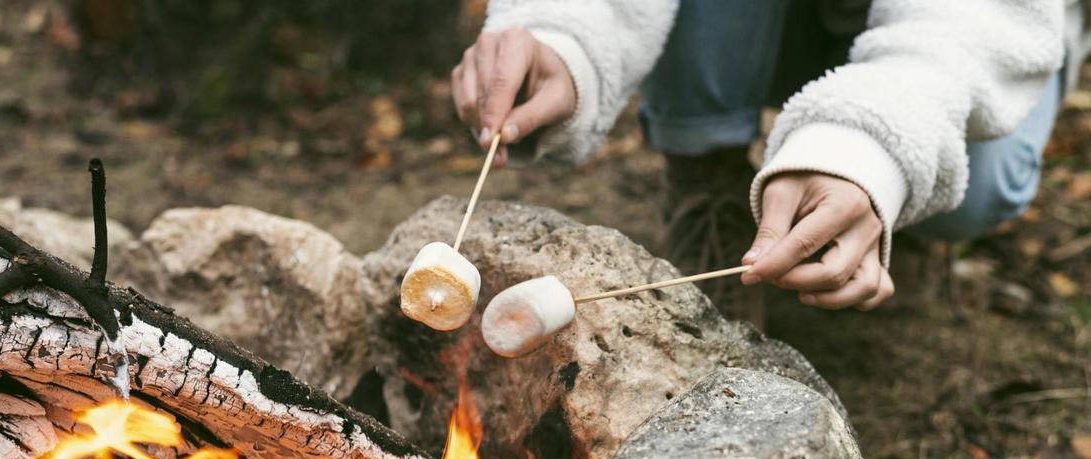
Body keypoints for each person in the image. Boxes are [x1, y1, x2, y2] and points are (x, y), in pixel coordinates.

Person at [452, 0, 1084, 320]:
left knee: (976, 182)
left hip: (959, 25)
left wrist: (875, 149)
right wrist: (563, 32)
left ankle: (881, 221)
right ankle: (706, 175)